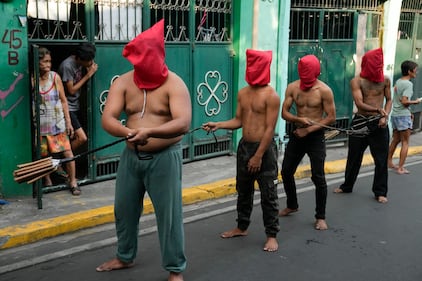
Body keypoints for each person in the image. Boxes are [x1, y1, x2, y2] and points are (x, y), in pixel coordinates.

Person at [96, 20, 191, 281]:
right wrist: (128, 132)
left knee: (169, 216)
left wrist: (150, 132)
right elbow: (109, 118)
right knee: (124, 210)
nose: (140, 66)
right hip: (131, 158)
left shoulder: (175, 84)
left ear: (159, 57)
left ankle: (175, 269)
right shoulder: (124, 83)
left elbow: (183, 123)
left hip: (164, 159)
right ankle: (124, 256)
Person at [203, 49, 281, 252]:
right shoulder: (243, 93)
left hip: (264, 151)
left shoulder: (271, 96)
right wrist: (218, 124)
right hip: (245, 147)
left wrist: (258, 156)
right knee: (243, 191)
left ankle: (271, 235)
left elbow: (269, 129)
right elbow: (239, 120)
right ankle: (242, 226)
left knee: (268, 193)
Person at [278, 54, 336, 231]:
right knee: (287, 171)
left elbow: (331, 118)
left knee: (318, 176)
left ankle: (320, 216)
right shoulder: (293, 87)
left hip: (315, 136)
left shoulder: (324, 90)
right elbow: (284, 113)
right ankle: (292, 204)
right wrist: (298, 119)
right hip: (297, 133)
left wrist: (308, 129)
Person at [333, 48, 392, 203]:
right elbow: (359, 102)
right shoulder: (357, 81)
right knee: (354, 157)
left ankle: (380, 192)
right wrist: (378, 110)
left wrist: (385, 116)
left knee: (381, 159)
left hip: (379, 124)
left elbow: (389, 100)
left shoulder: (385, 80)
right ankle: (347, 186)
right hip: (360, 121)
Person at [36, 47, 80, 195]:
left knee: (68, 153)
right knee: (44, 155)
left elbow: (64, 101)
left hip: (57, 123)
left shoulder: (54, 77)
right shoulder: (32, 79)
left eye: (49, 61)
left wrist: (68, 122)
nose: (48, 65)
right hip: (41, 125)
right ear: (37, 62)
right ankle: (48, 181)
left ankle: (73, 181)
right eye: (44, 62)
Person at [58, 42, 97, 151]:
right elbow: (71, 90)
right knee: (82, 138)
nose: (91, 62)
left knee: (73, 137)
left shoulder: (81, 63)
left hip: (75, 105)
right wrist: (88, 75)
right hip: (68, 107)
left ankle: (67, 160)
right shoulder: (67, 66)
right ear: (80, 58)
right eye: (89, 60)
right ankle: (64, 158)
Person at [387, 60, 420, 175]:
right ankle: (401, 167)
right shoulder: (408, 84)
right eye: (415, 70)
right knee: (405, 142)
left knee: (395, 140)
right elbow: (405, 101)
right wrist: (415, 102)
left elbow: (399, 99)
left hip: (395, 114)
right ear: (409, 71)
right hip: (403, 116)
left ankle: (389, 161)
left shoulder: (398, 81)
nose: (416, 72)